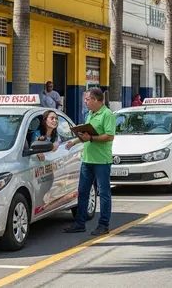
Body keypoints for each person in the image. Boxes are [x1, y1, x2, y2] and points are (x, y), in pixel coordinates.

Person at [64, 87, 115, 236]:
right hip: (87, 159)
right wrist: (74, 142)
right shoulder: (89, 114)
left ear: (95, 100)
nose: (85, 102)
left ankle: (103, 224)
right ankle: (80, 223)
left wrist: (91, 138)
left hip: (101, 161)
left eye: (87, 99)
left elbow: (109, 136)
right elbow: (87, 134)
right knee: (83, 192)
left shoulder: (107, 114)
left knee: (104, 193)